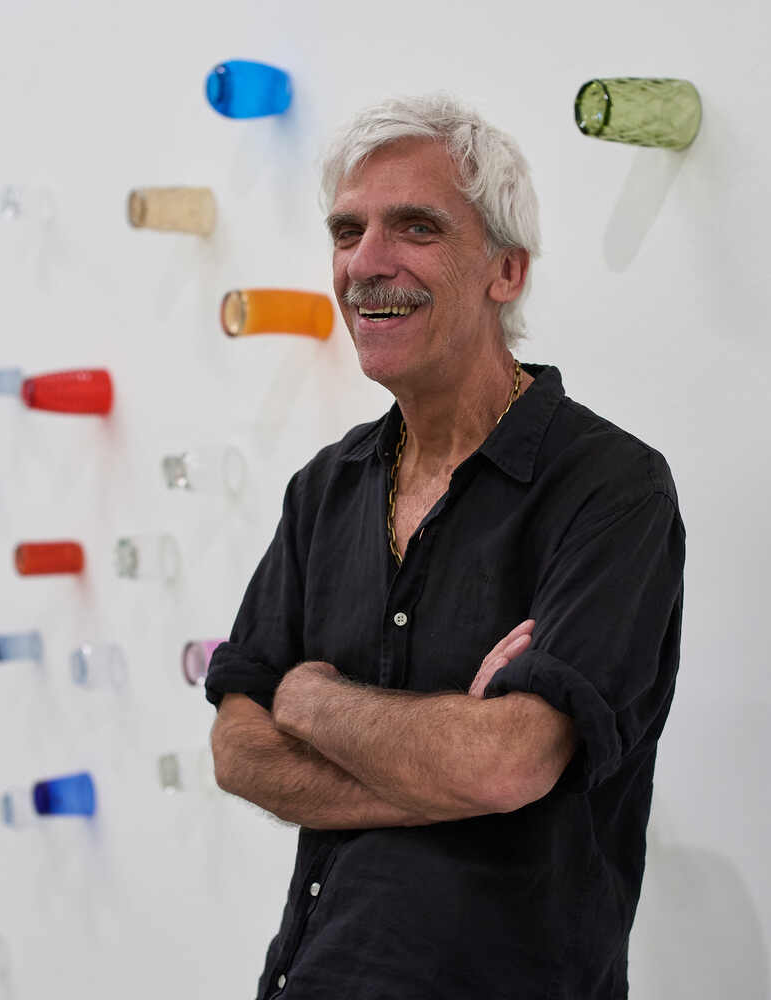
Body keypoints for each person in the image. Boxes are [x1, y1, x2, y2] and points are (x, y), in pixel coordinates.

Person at [204, 93, 686, 1000]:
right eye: (348, 232)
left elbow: (506, 761)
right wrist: (444, 770)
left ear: (506, 270)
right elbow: (238, 747)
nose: (365, 263)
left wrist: (308, 698)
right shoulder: (324, 488)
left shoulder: (612, 488)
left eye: (416, 227)